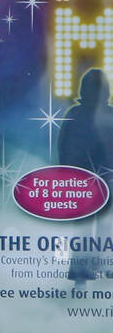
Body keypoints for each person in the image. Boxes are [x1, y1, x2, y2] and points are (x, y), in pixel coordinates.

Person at [58, 68, 113, 284]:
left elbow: (63, 147)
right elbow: (64, 148)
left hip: (91, 181)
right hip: (88, 181)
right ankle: (93, 272)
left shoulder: (75, 114)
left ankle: (88, 273)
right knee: (94, 228)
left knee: (97, 228)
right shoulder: (79, 114)